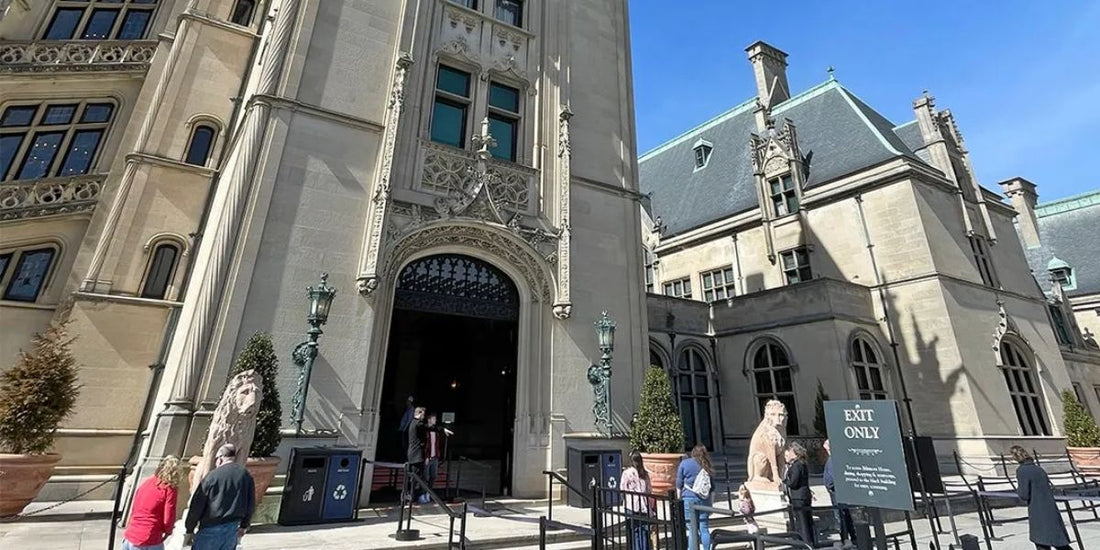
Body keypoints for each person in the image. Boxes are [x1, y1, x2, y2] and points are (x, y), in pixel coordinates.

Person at [184, 444, 256, 550]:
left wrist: (189, 528)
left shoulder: (212, 477)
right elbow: (250, 503)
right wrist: (244, 525)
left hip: (209, 528)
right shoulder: (245, 476)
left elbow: (197, 504)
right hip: (232, 529)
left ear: (220, 458)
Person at [1011, 445, 1072, 550]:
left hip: (1037, 510)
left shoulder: (1022, 471)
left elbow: (1024, 494)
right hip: (1050, 508)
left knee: (1041, 543)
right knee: (1059, 543)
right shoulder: (1038, 469)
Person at [123, 455, 186, 550]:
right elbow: (169, 515)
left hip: (130, 535)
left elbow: (135, 507)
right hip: (148, 537)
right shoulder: (169, 489)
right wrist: (168, 531)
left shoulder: (146, 483)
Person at [407, 406, 453, 504]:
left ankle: (413, 496)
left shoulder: (413, 423)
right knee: (417, 478)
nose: (423, 417)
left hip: (416, 455)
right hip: (417, 456)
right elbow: (429, 427)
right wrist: (442, 429)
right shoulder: (418, 424)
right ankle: (411, 496)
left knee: (417, 478)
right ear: (419, 414)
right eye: (423, 415)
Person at [677, 444, 713, 550]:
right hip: (704, 500)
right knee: (704, 527)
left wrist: (679, 500)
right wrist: (711, 503)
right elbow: (712, 487)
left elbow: (679, 484)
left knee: (692, 528)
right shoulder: (706, 464)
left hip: (688, 498)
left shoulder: (684, 464)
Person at [782, 442, 814, 546]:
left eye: (790, 452)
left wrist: (785, 481)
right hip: (804, 496)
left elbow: (793, 482)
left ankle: (805, 544)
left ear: (795, 453)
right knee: (807, 520)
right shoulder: (803, 463)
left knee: (802, 523)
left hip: (798, 497)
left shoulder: (797, 465)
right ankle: (810, 542)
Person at [620, 451, 654, 550]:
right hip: (643, 505)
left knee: (634, 532)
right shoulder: (645, 473)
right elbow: (649, 490)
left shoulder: (626, 473)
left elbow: (622, 488)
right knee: (643, 531)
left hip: (631, 505)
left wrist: (624, 500)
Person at [823, 439, 855, 543]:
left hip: (836, 491)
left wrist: (831, 486)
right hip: (835, 490)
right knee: (844, 514)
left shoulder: (833, 459)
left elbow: (834, 476)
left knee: (840, 515)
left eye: (826, 445)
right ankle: (850, 537)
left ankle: (845, 538)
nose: (825, 446)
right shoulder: (832, 458)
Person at [424, 413, 447, 493]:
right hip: (428, 457)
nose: (435, 421)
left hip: (435, 456)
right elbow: (425, 445)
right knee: (425, 477)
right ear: (429, 420)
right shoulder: (425, 430)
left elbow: (437, 444)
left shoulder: (436, 431)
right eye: (433, 419)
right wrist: (426, 456)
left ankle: (429, 492)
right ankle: (423, 493)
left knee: (433, 476)